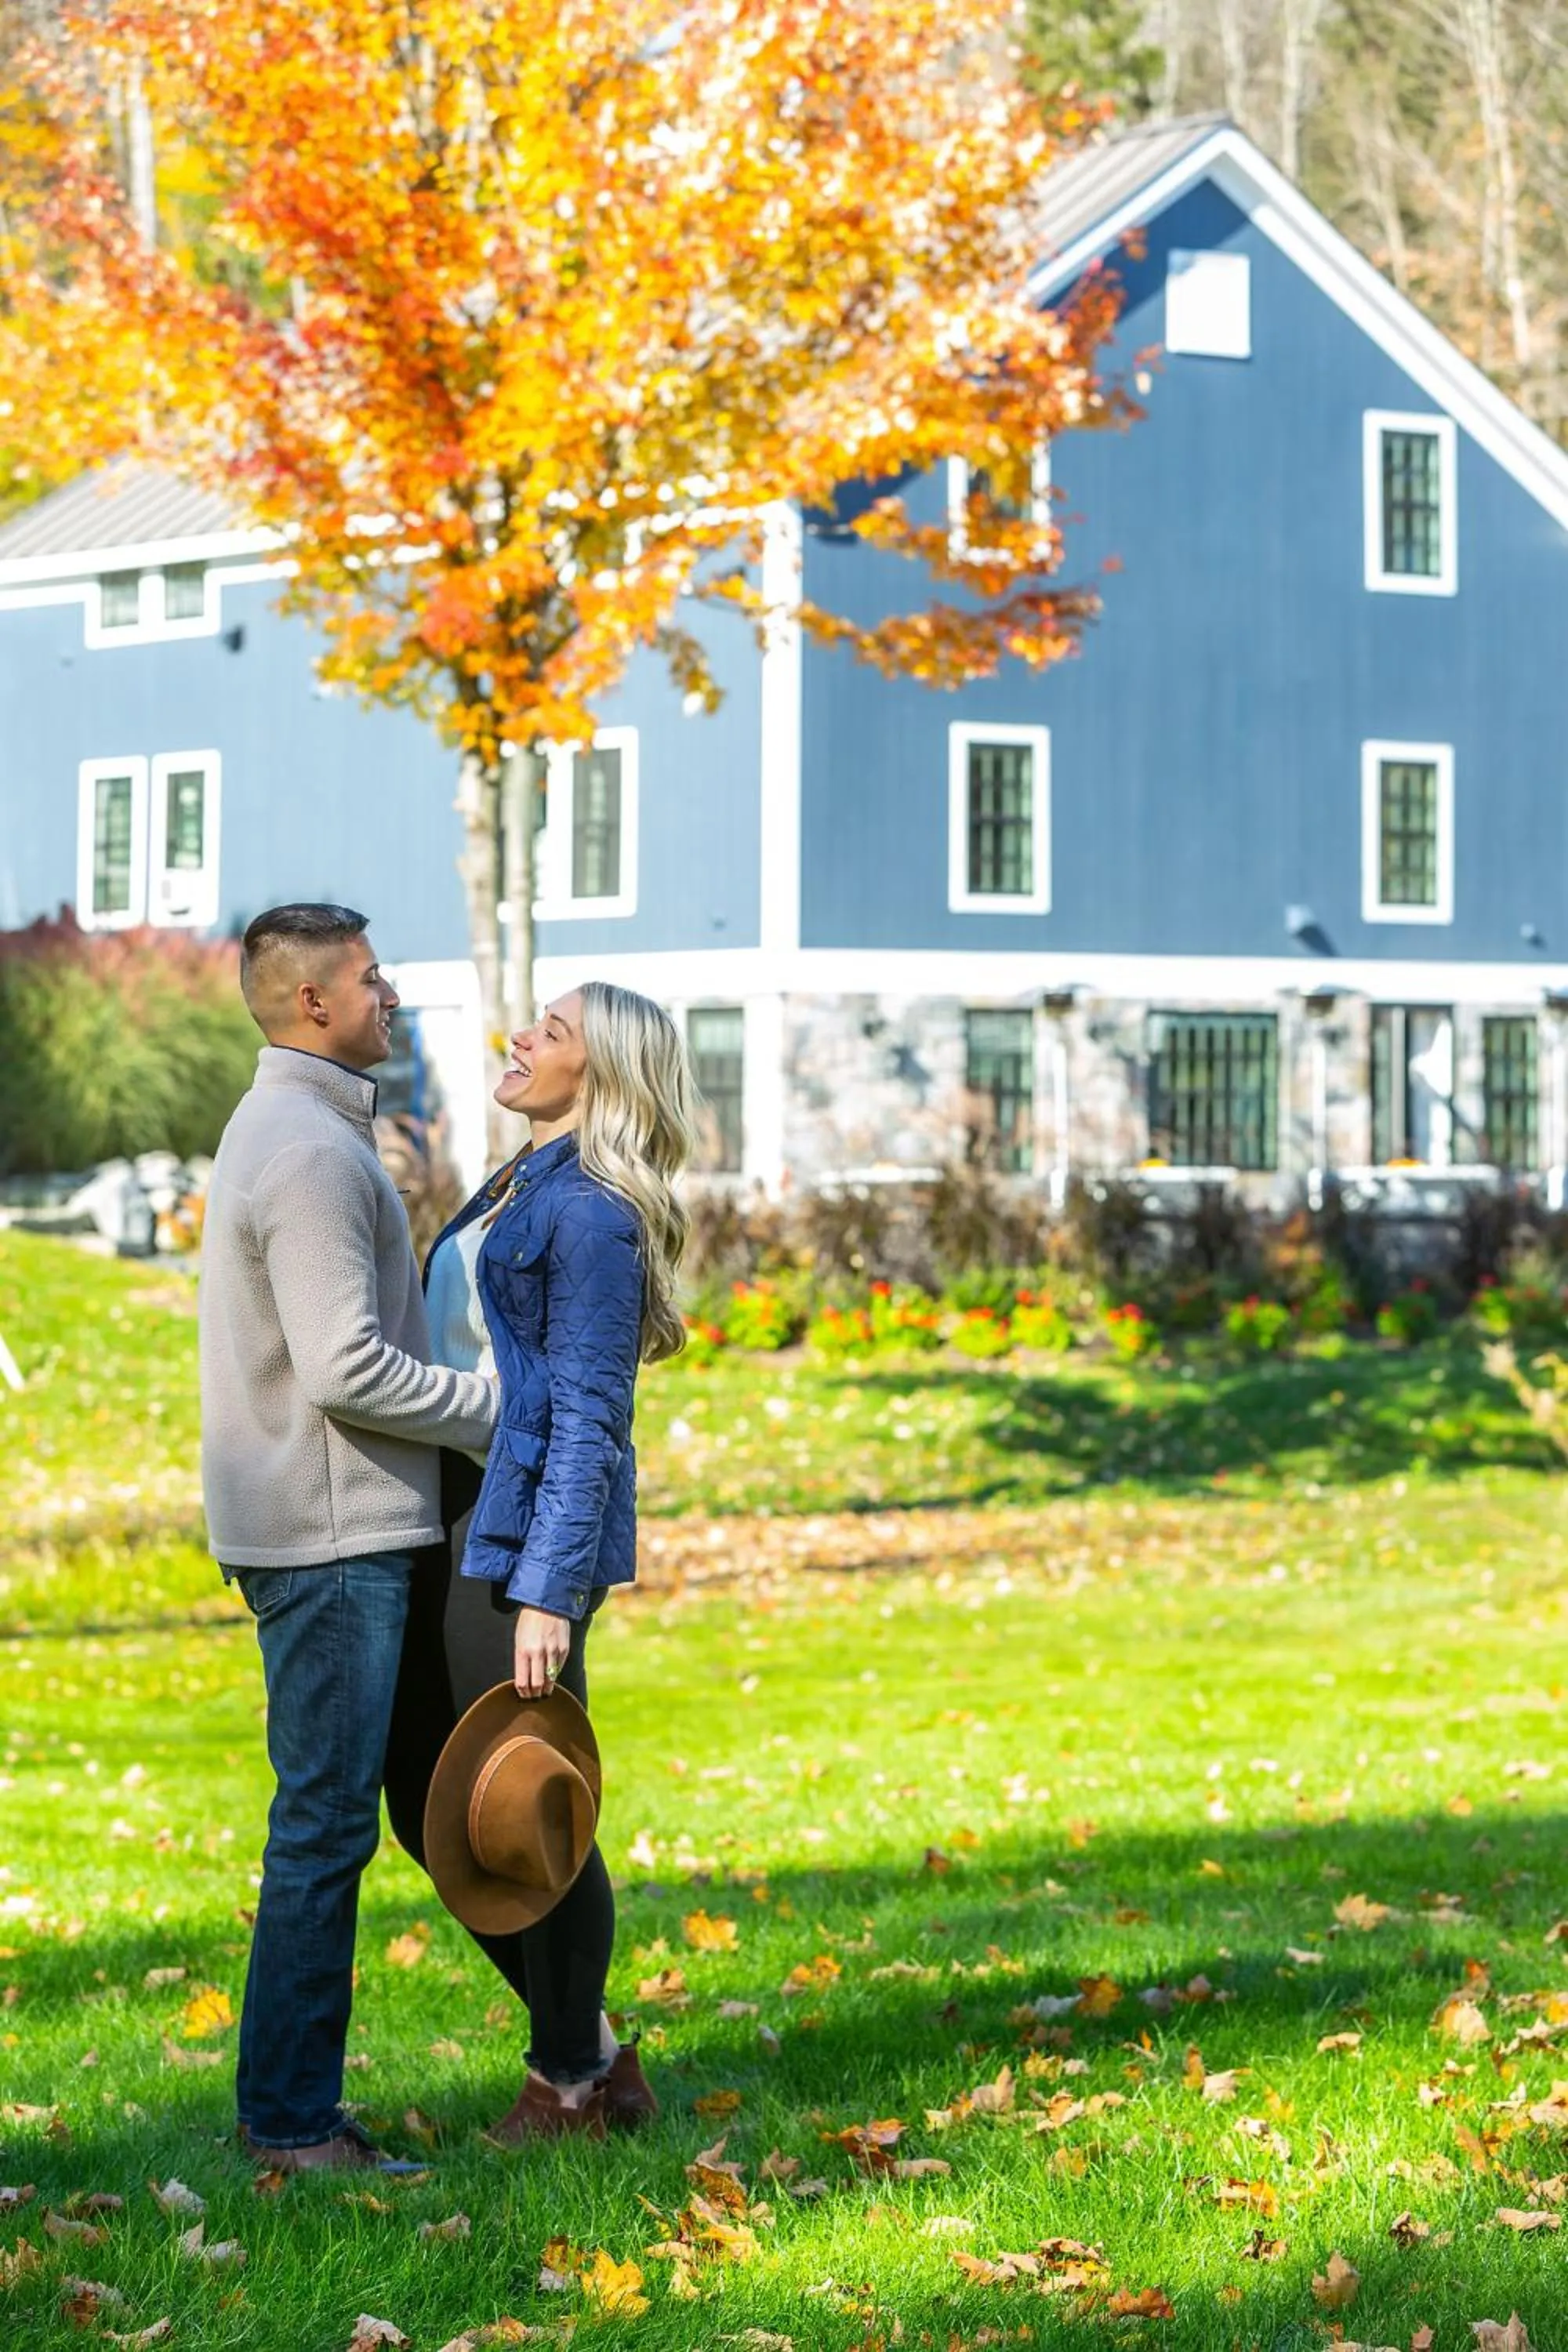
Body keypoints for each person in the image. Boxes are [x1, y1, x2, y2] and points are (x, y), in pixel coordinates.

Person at [200, 903, 498, 2173]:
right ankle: (293, 2126)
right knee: (324, 1830)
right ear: (314, 1003)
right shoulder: (313, 1154)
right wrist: (498, 1410)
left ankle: (289, 2114)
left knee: (321, 1822)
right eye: (374, 981)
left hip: (316, 1530)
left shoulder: (288, 1126)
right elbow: (346, 1369)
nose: (392, 998)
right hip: (328, 1540)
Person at [385, 980, 696, 2139]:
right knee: (424, 1801)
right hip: (455, 1516)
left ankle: (564, 2079)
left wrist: (549, 1593)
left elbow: (588, 1416)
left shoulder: (597, 1214)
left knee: (521, 1804)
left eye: (551, 1033)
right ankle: (599, 2055)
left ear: (602, 1075)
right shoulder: (520, 1181)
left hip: (517, 1537)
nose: (520, 1038)